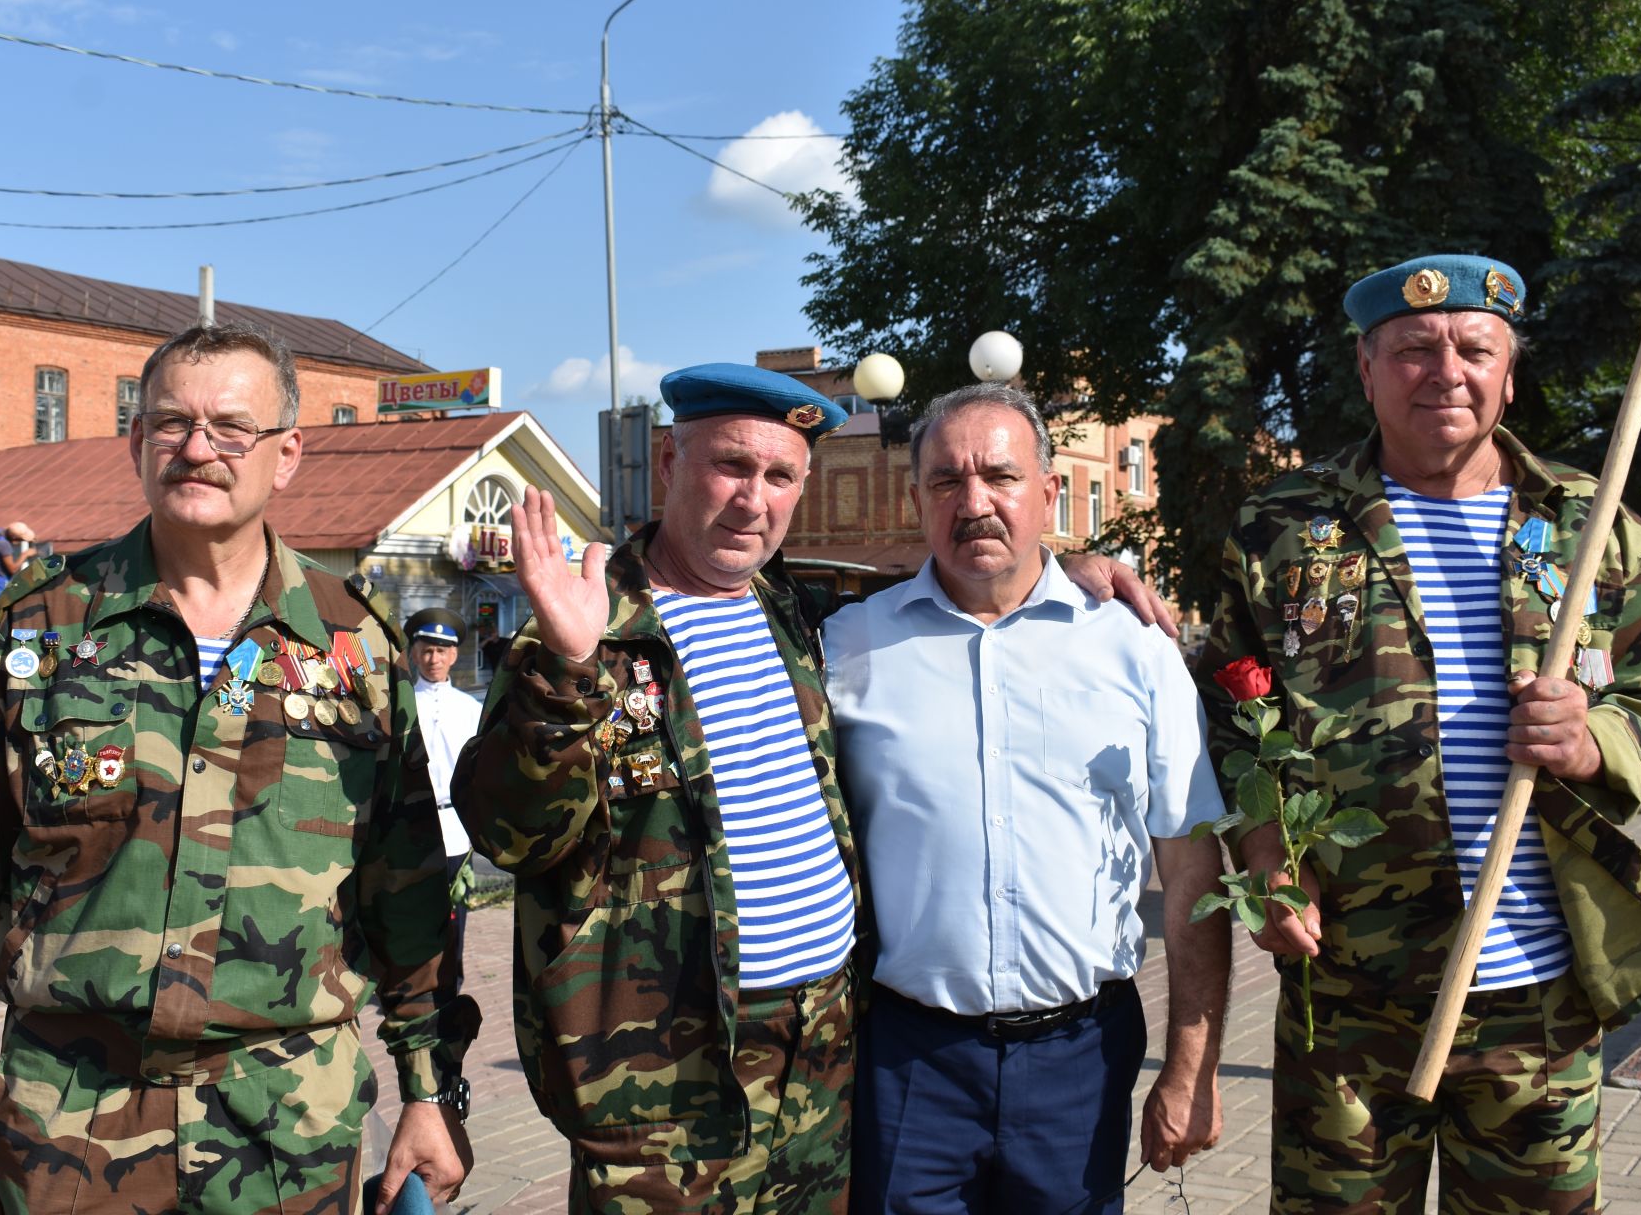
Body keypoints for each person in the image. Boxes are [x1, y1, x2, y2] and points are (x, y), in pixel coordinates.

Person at [456, 362, 1168, 1214]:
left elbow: (972, 583)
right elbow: (510, 836)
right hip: (661, 1093)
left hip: (820, 1078)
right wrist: (568, 675)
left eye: (780, 475)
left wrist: (1066, 564)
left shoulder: (796, 617)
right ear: (672, 466)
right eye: (730, 465)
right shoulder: (584, 625)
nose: (752, 498)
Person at [0, 321, 477, 1215]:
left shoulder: (356, 645)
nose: (197, 449)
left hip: (286, 1131)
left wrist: (428, 1094)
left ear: (287, 455)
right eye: (170, 423)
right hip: (67, 1128)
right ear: (136, 443)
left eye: (231, 428)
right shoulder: (39, 629)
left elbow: (407, 896)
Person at [1195, 255, 1641, 1213]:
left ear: (1510, 373)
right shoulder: (1284, 527)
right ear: (1367, 366)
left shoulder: (1592, 521)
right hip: (1345, 996)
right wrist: (1265, 853)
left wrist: (1594, 740)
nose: (1446, 372)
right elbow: (1225, 717)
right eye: (1415, 350)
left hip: (1539, 1000)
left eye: (1475, 349)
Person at [825, 383, 1230, 1214]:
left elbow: (1193, 873)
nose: (974, 503)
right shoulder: (850, 646)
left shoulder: (1133, 647)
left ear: (1050, 492)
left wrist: (1194, 1067)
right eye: (946, 481)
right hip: (909, 1057)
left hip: (1079, 1059)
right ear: (916, 500)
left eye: (1001, 477)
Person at [405, 605, 483, 974]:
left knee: (454, 911)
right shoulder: (402, 705)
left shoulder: (469, 709)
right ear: (416, 653)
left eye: (442, 651)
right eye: (427, 650)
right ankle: (413, 985)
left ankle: (450, 979)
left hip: (454, 826)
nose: (434, 658)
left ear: (454, 655)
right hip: (412, 825)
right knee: (412, 910)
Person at [0, 521, 34, 625]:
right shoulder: (3, 545)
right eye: (20, 540)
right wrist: (25, 555)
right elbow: (12, 569)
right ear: (13, 538)